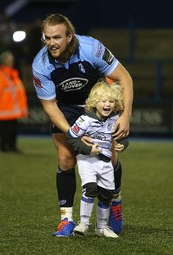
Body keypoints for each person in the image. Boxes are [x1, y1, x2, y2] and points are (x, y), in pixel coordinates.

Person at [32, 13, 133, 237]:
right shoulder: (41, 64)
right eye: (47, 38)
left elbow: (124, 78)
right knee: (65, 158)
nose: (51, 43)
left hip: (96, 104)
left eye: (56, 37)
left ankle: (115, 202)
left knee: (109, 156)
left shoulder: (91, 48)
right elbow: (50, 106)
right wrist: (74, 135)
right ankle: (66, 219)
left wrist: (125, 116)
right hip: (65, 109)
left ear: (70, 35)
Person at [67, 81, 129, 238]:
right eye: (103, 101)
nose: (107, 104)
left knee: (107, 194)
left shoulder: (115, 120)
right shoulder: (85, 120)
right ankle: (83, 223)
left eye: (111, 101)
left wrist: (122, 144)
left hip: (105, 162)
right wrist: (88, 149)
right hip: (87, 160)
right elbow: (71, 137)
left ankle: (101, 227)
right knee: (91, 189)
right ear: (95, 103)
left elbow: (122, 138)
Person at [0, 51, 28, 153]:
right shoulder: (1, 74)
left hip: (12, 109)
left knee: (13, 129)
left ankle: (12, 146)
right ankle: (4, 147)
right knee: (5, 129)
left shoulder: (12, 74)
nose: (11, 62)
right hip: (5, 108)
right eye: (9, 60)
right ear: (3, 62)